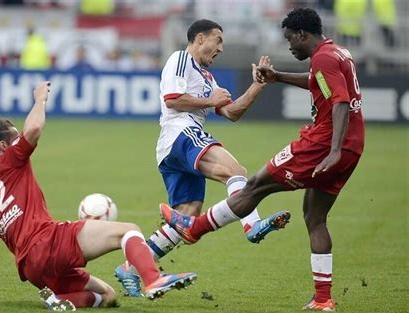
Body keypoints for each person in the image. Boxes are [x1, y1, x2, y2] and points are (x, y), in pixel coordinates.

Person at [161, 8, 365, 312]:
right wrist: (275, 77)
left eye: (289, 40)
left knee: (255, 183)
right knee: (314, 216)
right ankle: (323, 298)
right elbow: (317, 82)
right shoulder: (338, 53)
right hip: (352, 145)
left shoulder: (322, 57)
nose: (289, 47)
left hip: (323, 144)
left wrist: (332, 149)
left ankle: (196, 229)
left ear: (302, 35)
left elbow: (339, 101)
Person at [0, 81, 197, 311]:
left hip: (31, 269)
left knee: (108, 296)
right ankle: (153, 280)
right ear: (3, 146)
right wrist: (39, 100)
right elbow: (34, 129)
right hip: (48, 243)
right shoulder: (9, 160)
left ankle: (57, 300)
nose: (21, 142)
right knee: (129, 230)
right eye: (16, 139)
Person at [114, 19, 290, 297]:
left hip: (172, 147)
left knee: (188, 214)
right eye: (217, 40)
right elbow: (172, 99)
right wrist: (212, 101)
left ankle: (131, 268)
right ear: (199, 39)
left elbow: (232, 112)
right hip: (180, 133)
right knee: (235, 170)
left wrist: (258, 85)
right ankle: (251, 223)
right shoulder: (181, 58)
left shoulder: (207, 78)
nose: (220, 47)